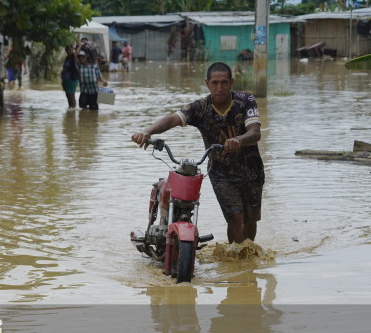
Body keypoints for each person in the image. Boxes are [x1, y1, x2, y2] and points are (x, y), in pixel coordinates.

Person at [131, 62, 264, 244]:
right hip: (221, 174)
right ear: (207, 83)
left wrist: (238, 140)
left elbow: (255, 132)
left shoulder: (245, 100)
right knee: (235, 218)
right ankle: (238, 258)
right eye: (215, 83)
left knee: (250, 221)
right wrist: (148, 131)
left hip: (251, 171)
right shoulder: (200, 107)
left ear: (231, 83)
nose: (219, 88)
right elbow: (173, 120)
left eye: (224, 83)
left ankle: (247, 257)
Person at [76, 43, 106, 110]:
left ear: (87, 56)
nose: (81, 58)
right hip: (84, 91)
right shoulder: (79, 66)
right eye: (80, 57)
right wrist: (80, 46)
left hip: (94, 91)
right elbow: (75, 56)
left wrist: (104, 81)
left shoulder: (94, 66)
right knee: (82, 109)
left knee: (94, 110)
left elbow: (99, 76)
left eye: (83, 56)